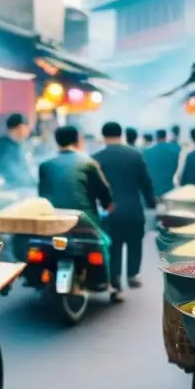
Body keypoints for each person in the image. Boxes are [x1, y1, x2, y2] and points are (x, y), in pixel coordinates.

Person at [39, 125, 118, 299]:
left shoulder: (45, 165)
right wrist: (108, 206)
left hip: (53, 219)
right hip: (83, 220)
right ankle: (109, 284)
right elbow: (104, 192)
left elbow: (42, 195)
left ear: (57, 142)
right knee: (104, 242)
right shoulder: (88, 163)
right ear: (78, 140)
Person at [93, 122, 155, 291]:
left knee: (113, 245)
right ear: (121, 135)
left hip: (110, 210)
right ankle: (132, 274)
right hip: (133, 208)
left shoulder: (97, 158)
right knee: (135, 241)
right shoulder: (135, 155)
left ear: (103, 136)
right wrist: (151, 203)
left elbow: (92, 187)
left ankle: (115, 278)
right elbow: (146, 183)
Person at [0, 113, 36, 188]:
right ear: (17, 128)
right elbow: (14, 174)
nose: (28, 131)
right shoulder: (3, 146)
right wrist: (34, 182)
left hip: (14, 187)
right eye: (26, 127)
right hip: (4, 189)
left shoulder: (17, 145)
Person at [144, 129, 179, 198]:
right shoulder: (175, 150)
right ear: (165, 137)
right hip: (170, 189)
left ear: (156, 137)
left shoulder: (147, 152)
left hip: (154, 189)